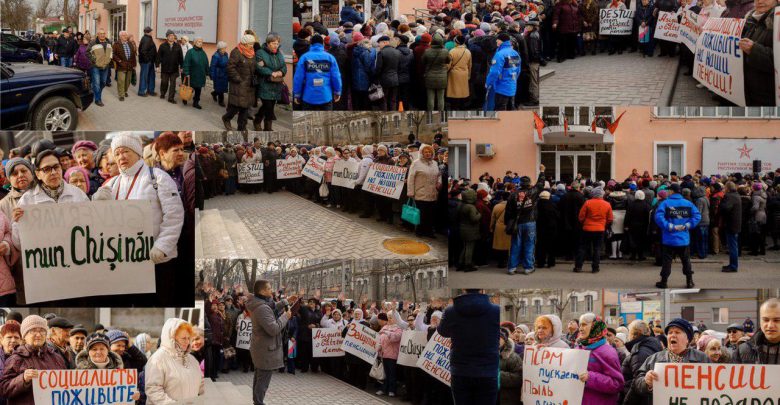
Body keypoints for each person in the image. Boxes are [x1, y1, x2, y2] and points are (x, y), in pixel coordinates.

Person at [93, 133, 185, 306]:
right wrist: (97, 205)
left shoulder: (157, 177)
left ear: (137, 152)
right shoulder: (112, 184)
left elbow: (174, 215)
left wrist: (162, 246)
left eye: (125, 151)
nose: (121, 157)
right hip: (127, 264)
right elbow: (102, 226)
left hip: (158, 263)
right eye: (117, 153)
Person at [438, 290, 499, 405]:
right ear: (482, 290)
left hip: (461, 371)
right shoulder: (496, 310)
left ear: (463, 290)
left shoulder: (451, 311)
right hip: (488, 371)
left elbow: (442, 331)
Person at [632, 318, 709, 400]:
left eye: (677, 332)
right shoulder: (653, 359)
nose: (673, 335)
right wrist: (646, 382)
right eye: (670, 333)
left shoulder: (702, 358)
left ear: (687, 339)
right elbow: (636, 385)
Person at [0, 315, 68, 404]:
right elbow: (3, 389)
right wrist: (23, 379)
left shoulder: (56, 357)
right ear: (24, 336)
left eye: (42, 331)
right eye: (33, 331)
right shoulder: (16, 359)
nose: (38, 334)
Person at [246, 280, 292, 405]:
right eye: (269, 288)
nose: (271, 290)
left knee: (260, 377)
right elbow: (274, 329)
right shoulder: (261, 308)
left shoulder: (259, 303)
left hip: (261, 348)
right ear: (262, 291)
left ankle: (257, 401)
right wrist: (285, 317)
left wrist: (283, 303)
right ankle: (258, 402)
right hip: (265, 350)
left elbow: (271, 308)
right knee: (263, 381)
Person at [144, 318, 205, 404]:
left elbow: (201, 384)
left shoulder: (192, 359)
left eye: (189, 338)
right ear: (171, 338)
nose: (187, 342)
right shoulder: (157, 359)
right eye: (184, 338)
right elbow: (153, 390)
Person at [654, 183, 701, 288]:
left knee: (667, 261)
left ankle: (664, 282)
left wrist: (670, 226)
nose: (667, 192)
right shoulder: (688, 203)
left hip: (669, 238)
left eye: (668, 190)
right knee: (686, 260)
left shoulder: (665, 203)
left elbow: (658, 217)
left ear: (672, 191)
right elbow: (697, 216)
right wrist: (687, 225)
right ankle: (689, 281)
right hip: (683, 238)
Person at [505, 165, 546, 275]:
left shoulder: (513, 195)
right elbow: (541, 184)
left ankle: (512, 267)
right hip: (530, 222)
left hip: (517, 223)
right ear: (529, 183)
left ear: (520, 184)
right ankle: (528, 267)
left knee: (515, 245)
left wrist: (508, 223)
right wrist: (542, 171)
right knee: (529, 245)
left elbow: (508, 211)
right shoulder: (533, 192)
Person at [575, 313, 624, 404]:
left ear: (595, 326)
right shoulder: (579, 348)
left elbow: (617, 384)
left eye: (584, 325)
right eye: (580, 325)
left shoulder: (607, 352)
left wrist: (590, 377)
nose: (580, 328)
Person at [740, 0, 775, 106]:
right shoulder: (750, 20)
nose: (760, 1)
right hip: (750, 90)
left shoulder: (777, 21)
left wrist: (754, 49)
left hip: (768, 96)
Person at [294, 35, 342, 110]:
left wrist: (297, 94)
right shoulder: (330, 58)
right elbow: (336, 77)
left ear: (311, 44)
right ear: (322, 44)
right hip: (325, 96)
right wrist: (337, 91)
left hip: (309, 97)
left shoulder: (304, 57)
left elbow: (298, 78)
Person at [621, 320, 662, 404]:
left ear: (634, 334)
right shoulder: (651, 345)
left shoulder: (639, 352)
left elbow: (637, 384)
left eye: (629, 333)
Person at [223, 35, 257, 131]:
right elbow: (230, 68)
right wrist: (238, 79)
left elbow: (254, 66)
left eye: (253, 44)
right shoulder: (236, 52)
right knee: (235, 107)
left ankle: (241, 127)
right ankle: (226, 118)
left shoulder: (252, 53)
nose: (252, 46)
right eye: (250, 44)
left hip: (249, 85)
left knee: (245, 107)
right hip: (239, 84)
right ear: (244, 43)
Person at [575, 187, 613, 273]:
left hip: (587, 228)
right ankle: (595, 268)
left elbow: (581, 216)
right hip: (600, 229)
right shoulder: (607, 204)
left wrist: (584, 223)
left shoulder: (587, 203)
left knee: (583, 248)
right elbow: (610, 218)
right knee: (597, 249)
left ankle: (578, 266)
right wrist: (604, 224)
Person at [255, 33, 287, 131]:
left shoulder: (279, 53)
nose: (275, 45)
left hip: (276, 85)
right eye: (273, 43)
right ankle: (266, 127)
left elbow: (284, 66)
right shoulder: (260, 53)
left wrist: (280, 72)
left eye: (277, 43)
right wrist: (271, 72)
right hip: (265, 84)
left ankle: (257, 120)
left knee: (270, 106)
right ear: (268, 43)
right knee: (267, 105)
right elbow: (259, 67)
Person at [407, 145, 442, 238]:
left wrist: (439, 182)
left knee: (430, 214)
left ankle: (429, 231)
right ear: (422, 153)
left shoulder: (434, 163)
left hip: (432, 193)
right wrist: (410, 192)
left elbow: (439, 175)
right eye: (426, 152)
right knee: (421, 213)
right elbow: (411, 178)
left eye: (430, 152)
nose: (428, 153)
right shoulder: (416, 163)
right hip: (420, 192)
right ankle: (419, 231)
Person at [734, 298, 780, 364]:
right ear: (760, 321)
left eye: (777, 320)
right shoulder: (743, 350)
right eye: (766, 320)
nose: (770, 325)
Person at [486, 32, 520, 110]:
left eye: (497, 40)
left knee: (500, 111)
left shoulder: (500, 54)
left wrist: (488, 83)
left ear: (502, 41)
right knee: (510, 109)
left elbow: (494, 72)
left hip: (501, 87)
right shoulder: (514, 53)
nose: (496, 41)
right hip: (511, 86)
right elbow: (517, 70)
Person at [422, 34, 451, 113]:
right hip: (442, 77)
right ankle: (440, 114)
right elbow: (448, 60)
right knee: (441, 97)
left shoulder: (427, 51)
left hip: (430, 76)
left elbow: (423, 61)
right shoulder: (445, 51)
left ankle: (430, 114)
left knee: (430, 97)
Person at [376, 312, 403, 397]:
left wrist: (387, 333)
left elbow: (396, 338)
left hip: (392, 355)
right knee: (385, 374)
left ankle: (392, 390)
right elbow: (381, 339)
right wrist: (379, 346)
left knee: (392, 374)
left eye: (391, 317)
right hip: (384, 354)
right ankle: (384, 389)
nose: (389, 319)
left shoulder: (399, 328)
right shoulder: (385, 327)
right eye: (388, 317)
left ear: (396, 318)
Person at [719, 181, 742, 272]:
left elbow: (725, 208)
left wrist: (721, 203)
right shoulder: (736, 195)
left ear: (727, 188)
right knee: (733, 246)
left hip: (731, 224)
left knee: (732, 246)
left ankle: (733, 266)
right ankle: (732, 264)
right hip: (735, 223)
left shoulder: (729, 196)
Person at [88, 29, 114, 107]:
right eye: (101, 33)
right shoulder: (93, 42)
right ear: (98, 34)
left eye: (104, 33)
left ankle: (94, 91)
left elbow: (111, 52)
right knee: (97, 83)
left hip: (105, 66)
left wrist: (109, 59)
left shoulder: (108, 42)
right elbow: (87, 52)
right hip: (96, 66)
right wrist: (94, 60)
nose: (102, 35)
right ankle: (98, 99)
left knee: (103, 82)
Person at [157, 30, 184, 104]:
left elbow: (181, 57)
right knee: (164, 82)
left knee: (173, 84)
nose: (172, 37)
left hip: (174, 68)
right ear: (167, 37)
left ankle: (171, 98)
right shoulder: (162, 46)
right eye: (170, 36)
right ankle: (163, 93)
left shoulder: (178, 46)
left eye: (173, 36)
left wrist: (182, 66)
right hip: (165, 68)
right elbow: (158, 57)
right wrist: (157, 66)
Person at [182, 37, 210, 109]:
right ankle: (185, 98)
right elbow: (186, 63)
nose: (200, 43)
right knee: (189, 88)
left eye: (201, 42)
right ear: (195, 43)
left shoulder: (203, 53)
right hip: (192, 75)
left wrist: (207, 73)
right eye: (199, 42)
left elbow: (206, 63)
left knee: (198, 90)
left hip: (200, 75)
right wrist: (187, 72)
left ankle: (196, 102)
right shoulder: (190, 52)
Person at [376, 36, 401, 111]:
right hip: (395, 79)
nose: (379, 45)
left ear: (385, 42)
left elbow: (378, 68)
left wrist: (376, 78)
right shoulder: (397, 52)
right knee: (393, 100)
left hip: (384, 80)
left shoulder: (381, 53)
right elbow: (399, 66)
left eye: (379, 43)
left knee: (384, 100)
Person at [498, 328, 522, 405]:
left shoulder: (513, 357)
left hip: (506, 400)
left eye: (499, 337)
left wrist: (497, 375)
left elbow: (519, 378)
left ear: (505, 340)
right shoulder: (484, 357)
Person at [447, 35, 471, 110]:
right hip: (464, 74)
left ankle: (454, 108)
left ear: (456, 42)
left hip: (454, 74)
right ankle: (461, 107)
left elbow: (448, 65)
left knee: (454, 93)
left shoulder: (452, 51)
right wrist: (469, 75)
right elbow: (470, 65)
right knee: (462, 93)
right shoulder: (468, 51)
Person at [112, 31, 137, 102]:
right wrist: (119, 61)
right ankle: (121, 95)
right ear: (120, 37)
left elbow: (133, 55)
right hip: (121, 65)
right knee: (121, 81)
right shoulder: (116, 44)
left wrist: (134, 64)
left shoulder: (130, 43)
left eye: (126, 35)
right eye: (123, 35)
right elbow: (113, 54)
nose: (125, 37)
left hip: (129, 65)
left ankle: (125, 91)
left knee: (128, 81)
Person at [138, 26, 158, 97]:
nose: (152, 32)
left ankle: (150, 90)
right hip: (146, 62)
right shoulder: (146, 39)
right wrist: (147, 60)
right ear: (148, 32)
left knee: (151, 76)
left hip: (150, 61)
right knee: (144, 76)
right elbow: (143, 51)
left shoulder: (148, 38)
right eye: (151, 31)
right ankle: (141, 91)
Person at [210, 42, 229, 107]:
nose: (224, 50)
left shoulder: (226, 54)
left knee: (222, 87)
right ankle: (221, 101)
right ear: (219, 49)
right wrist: (212, 75)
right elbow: (213, 66)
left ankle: (214, 93)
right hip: (218, 74)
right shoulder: (216, 55)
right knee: (220, 88)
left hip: (225, 73)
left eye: (225, 48)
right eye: (222, 49)